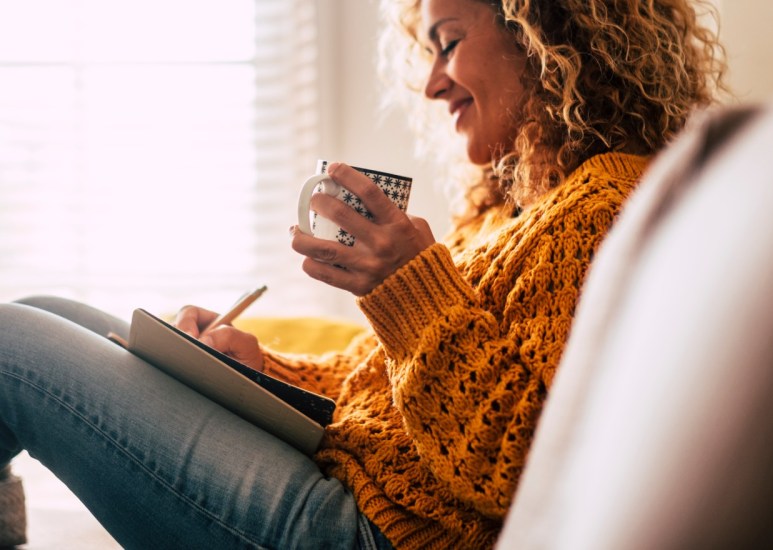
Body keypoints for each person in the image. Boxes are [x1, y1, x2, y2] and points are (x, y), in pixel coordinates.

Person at [0, 0, 725, 548]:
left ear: (542, 32)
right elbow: (378, 393)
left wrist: (407, 290)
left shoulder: (603, 207)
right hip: (359, 483)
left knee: (10, 346)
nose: (434, 84)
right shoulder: (515, 208)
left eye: (449, 44)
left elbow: (521, 467)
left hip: (373, 531)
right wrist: (258, 372)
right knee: (46, 309)